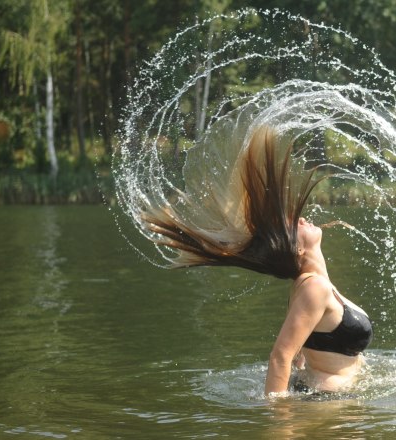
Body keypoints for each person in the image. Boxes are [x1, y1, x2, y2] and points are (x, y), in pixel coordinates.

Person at [139, 125, 373, 397]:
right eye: (293, 226)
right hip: (326, 403)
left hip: (331, 398)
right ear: (296, 249)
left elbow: (301, 346)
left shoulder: (310, 284)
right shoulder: (313, 288)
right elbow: (280, 357)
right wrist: (279, 424)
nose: (300, 219)